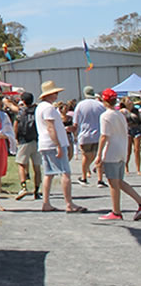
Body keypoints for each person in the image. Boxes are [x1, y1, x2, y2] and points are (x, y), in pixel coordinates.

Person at [36, 81, 86, 213]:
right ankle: (69, 203)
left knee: (48, 174)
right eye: (55, 93)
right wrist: (58, 144)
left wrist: (63, 130)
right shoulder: (48, 108)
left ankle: (46, 202)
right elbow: (50, 127)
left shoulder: (40, 107)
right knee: (65, 173)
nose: (57, 95)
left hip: (45, 143)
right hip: (52, 144)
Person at [97, 88, 141, 220]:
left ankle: (116, 211)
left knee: (113, 182)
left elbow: (104, 136)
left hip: (112, 151)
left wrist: (99, 155)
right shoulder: (120, 114)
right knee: (120, 182)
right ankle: (139, 201)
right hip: (121, 150)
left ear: (104, 101)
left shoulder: (105, 116)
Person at [72, 86, 106, 187]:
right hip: (98, 134)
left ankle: (84, 177)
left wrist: (74, 133)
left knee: (85, 157)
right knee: (99, 156)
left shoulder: (80, 105)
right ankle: (100, 179)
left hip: (85, 135)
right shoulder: (100, 105)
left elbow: (75, 123)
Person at [13, 91, 42, 200]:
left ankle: (23, 186)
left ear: (23, 101)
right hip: (36, 140)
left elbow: (16, 125)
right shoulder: (36, 111)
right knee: (37, 167)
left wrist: (16, 138)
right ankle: (37, 190)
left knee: (21, 164)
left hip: (24, 140)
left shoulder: (21, 112)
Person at [121, 96, 141, 174]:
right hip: (128, 130)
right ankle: (126, 167)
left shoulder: (136, 111)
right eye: (128, 101)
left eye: (131, 101)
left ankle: (138, 169)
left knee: (137, 150)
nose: (130, 102)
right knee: (128, 150)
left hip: (137, 129)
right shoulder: (123, 111)